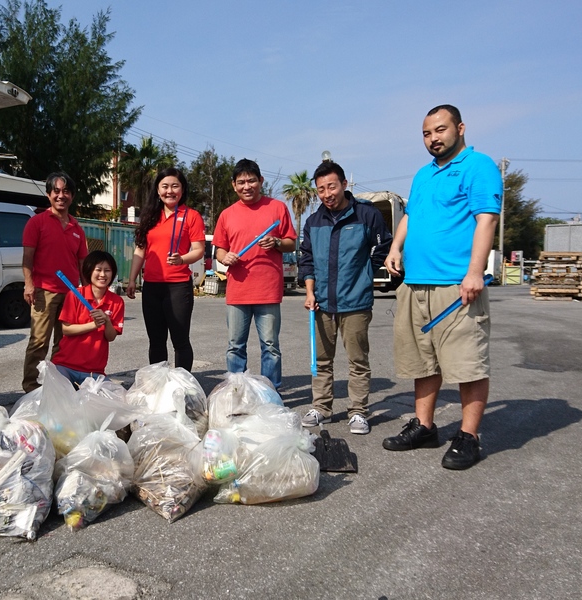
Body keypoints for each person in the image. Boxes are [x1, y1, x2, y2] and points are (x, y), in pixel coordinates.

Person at [382, 104, 502, 470]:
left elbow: (486, 220)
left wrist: (474, 272)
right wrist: (394, 247)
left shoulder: (479, 166)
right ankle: (424, 426)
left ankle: (469, 436)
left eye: (440, 130)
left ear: (460, 128)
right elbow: (411, 216)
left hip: (455, 284)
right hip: (416, 284)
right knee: (423, 361)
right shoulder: (423, 175)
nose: (433, 138)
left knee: (466, 363)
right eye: (426, 133)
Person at [299, 160, 391, 433]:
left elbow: (383, 248)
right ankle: (321, 407)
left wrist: (365, 276)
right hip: (322, 303)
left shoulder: (366, 215)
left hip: (356, 303)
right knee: (322, 361)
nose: (327, 194)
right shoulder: (314, 222)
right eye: (321, 189)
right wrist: (309, 292)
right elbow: (307, 259)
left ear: (344, 184)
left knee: (357, 360)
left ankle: (358, 411)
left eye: (332, 186)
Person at [212, 159, 297, 389]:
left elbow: (291, 242)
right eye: (241, 182)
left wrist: (277, 241)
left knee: (270, 345)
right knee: (235, 345)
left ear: (261, 181)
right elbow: (219, 248)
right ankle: (237, 392)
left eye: (251, 180)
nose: (246, 186)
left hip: (268, 290)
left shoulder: (278, 208)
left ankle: (270, 392)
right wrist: (224, 257)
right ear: (233, 185)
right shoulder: (227, 214)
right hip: (238, 290)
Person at [126, 167, 206, 370]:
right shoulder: (150, 216)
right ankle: (158, 384)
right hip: (152, 286)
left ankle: (183, 386)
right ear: (157, 190)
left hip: (178, 286)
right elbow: (140, 249)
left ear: (182, 189)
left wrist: (182, 259)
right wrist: (133, 279)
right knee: (156, 340)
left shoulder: (191, 216)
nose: (169, 191)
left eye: (174, 186)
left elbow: (198, 250)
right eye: (165, 186)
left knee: (180, 340)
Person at [21, 172, 89, 392]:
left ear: (72, 196)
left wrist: (86, 292)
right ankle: (31, 388)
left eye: (66, 191)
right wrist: (28, 284)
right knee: (39, 342)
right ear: (49, 195)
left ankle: (58, 387)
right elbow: (28, 258)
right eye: (57, 191)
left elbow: (82, 264)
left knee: (64, 344)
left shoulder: (77, 228)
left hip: (71, 294)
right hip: (43, 291)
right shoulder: (37, 222)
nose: (62, 196)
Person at [51, 250, 125, 385]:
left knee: (111, 402)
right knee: (61, 399)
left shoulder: (117, 301)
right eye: (98, 270)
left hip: (94, 371)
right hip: (65, 366)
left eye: (107, 270)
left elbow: (111, 337)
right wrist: (94, 325)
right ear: (89, 271)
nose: (102, 275)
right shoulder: (75, 295)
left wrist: (107, 321)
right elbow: (66, 330)